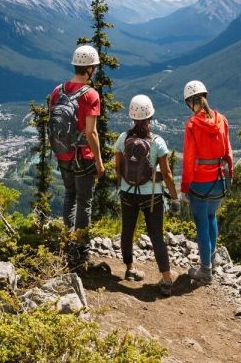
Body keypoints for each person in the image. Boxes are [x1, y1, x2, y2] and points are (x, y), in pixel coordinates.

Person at [114, 95, 180, 297]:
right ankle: (167, 279)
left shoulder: (123, 138)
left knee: (127, 231)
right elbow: (167, 173)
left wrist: (121, 184)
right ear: (150, 116)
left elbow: (118, 165)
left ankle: (130, 269)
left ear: (132, 116)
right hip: (151, 196)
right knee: (156, 236)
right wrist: (175, 198)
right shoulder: (157, 142)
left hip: (127, 193)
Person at [49, 45, 105, 266]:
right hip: (83, 156)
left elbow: (53, 123)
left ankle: (68, 241)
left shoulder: (58, 91)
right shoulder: (90, 94)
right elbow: (91, 132)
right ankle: (81, 250)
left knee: (70, 196)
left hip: (63, 155)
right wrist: (99, 162)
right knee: (85, 201)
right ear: (90, 68)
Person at [181, 80, 233, 285]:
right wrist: (230, 177)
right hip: (219, 180)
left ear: (192, 102)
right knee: (211, 217)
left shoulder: (193, 125)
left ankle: (205, 271)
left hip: (201, 181)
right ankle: (210, 261)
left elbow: (189, 159)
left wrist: (185, 186)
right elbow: (228, 152)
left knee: (202, 223)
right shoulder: (222, 120)